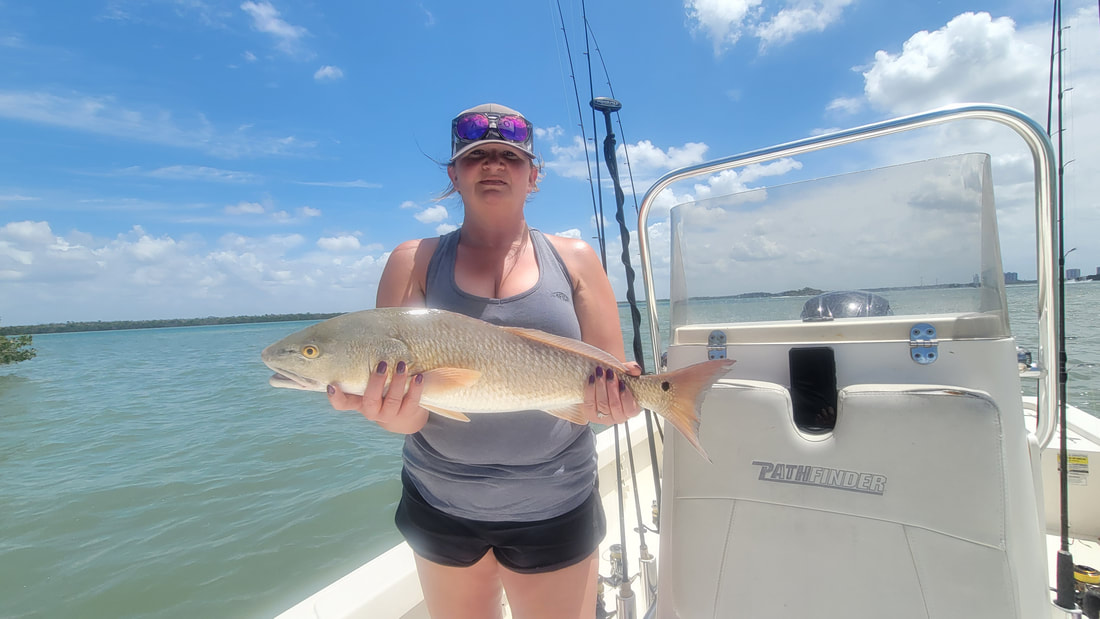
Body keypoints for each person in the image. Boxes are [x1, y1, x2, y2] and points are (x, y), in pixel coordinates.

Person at [327, 102, 642, 619]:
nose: (493, 164)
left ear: (533, 176)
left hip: (555, 502)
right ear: (454, 175)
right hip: (440, 503)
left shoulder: (577, 259)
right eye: (476, 156)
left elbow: (606, 387)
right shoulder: (413, 260)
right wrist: (386, 412)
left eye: (510, 157)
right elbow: (410, 415)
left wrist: (616, 404)